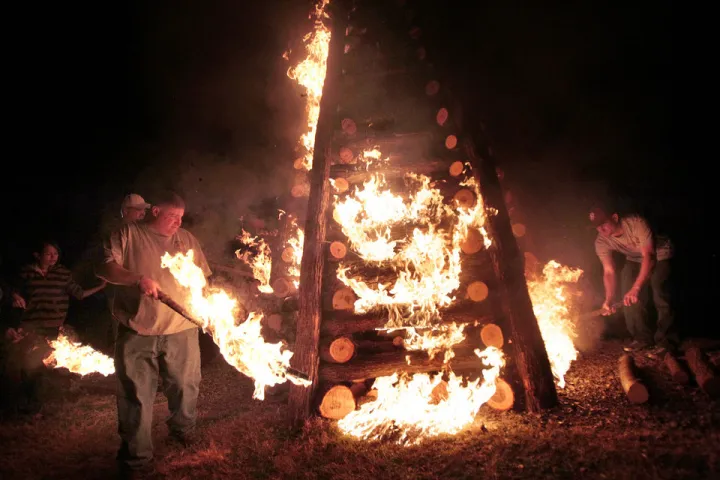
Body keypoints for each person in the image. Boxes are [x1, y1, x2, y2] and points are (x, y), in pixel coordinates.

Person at [96, 191, 211, 478]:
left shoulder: (186, 239)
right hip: (137, 328)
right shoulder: (127, 234)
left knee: (186, 385)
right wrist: (136, 279)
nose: (177, 223)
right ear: (156, 211)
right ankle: (136, 457)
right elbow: (105, 268)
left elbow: (202, 279)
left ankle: (183, 431)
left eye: (181, 218)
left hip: (181, 329)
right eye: (173, 216)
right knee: (136, 394)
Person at [7, 240, 106, 413]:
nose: (53, 257)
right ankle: (31, 402)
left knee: (43, 362)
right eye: (48, 254)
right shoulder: (26, 273)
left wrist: (101, 286)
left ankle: (39, 401)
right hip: (30, 324)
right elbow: (14, 290)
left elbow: (79, 294)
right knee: (30, 363)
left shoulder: (62, 274)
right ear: (37, 255)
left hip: (53, 325)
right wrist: (15, 295)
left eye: (56, 254)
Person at [590, 206, 677, 354]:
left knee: (658, 289)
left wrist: (636, 288)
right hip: (635, 258)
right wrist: (609, 299)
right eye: (597, 227)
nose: (601, 229)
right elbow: (609, 271)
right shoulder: (601, 242)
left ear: (615, 218)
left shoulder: (636, 224)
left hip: (660, 253)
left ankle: (667, 341)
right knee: (627, 295)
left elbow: (649, 256)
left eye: (604, 224)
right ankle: (642, 338)